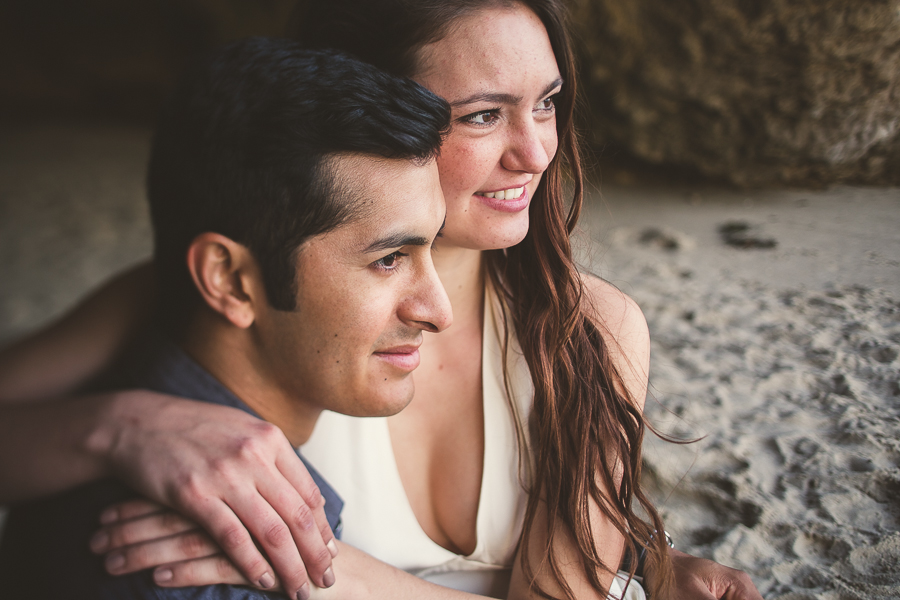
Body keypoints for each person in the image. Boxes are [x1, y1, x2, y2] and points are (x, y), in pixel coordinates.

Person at [0, 1, 764, 599]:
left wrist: (328, 573)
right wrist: (118, 427)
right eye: (483, 114)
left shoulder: (591, 329)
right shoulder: (245, 290)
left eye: (548, 103)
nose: (535, 152)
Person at [0, 37, 473, 600]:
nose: (438, 311)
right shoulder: (190, 568)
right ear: (227, 280)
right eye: (388, 259)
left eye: (432, 249)